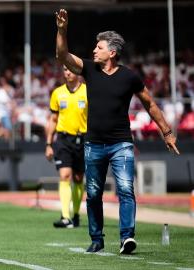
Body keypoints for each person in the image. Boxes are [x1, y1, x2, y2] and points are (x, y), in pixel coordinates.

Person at [55, 9, 179, 254]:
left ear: (111, 52)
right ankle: (96, 239)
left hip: (121, 143)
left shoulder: (129, 77)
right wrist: (62, 29)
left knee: (125, 189)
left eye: (98, 47)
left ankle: (126, 238)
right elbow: (62, 56)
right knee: (93, 194)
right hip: (93, 145)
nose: (93, 51)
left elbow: (150, 104)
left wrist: (166, 132)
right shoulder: (89, 70)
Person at [45, 66, 87, 228]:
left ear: (78, 72)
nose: (68, 72)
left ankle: (75, 215)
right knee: (65, 176)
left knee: (78, 178)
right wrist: (49, 143)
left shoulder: (87, 92)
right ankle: (65, 216)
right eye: (64, 69)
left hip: (83, 139)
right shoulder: (57, 93)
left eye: (71, 70)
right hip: (63, 140)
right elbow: (53, 120)